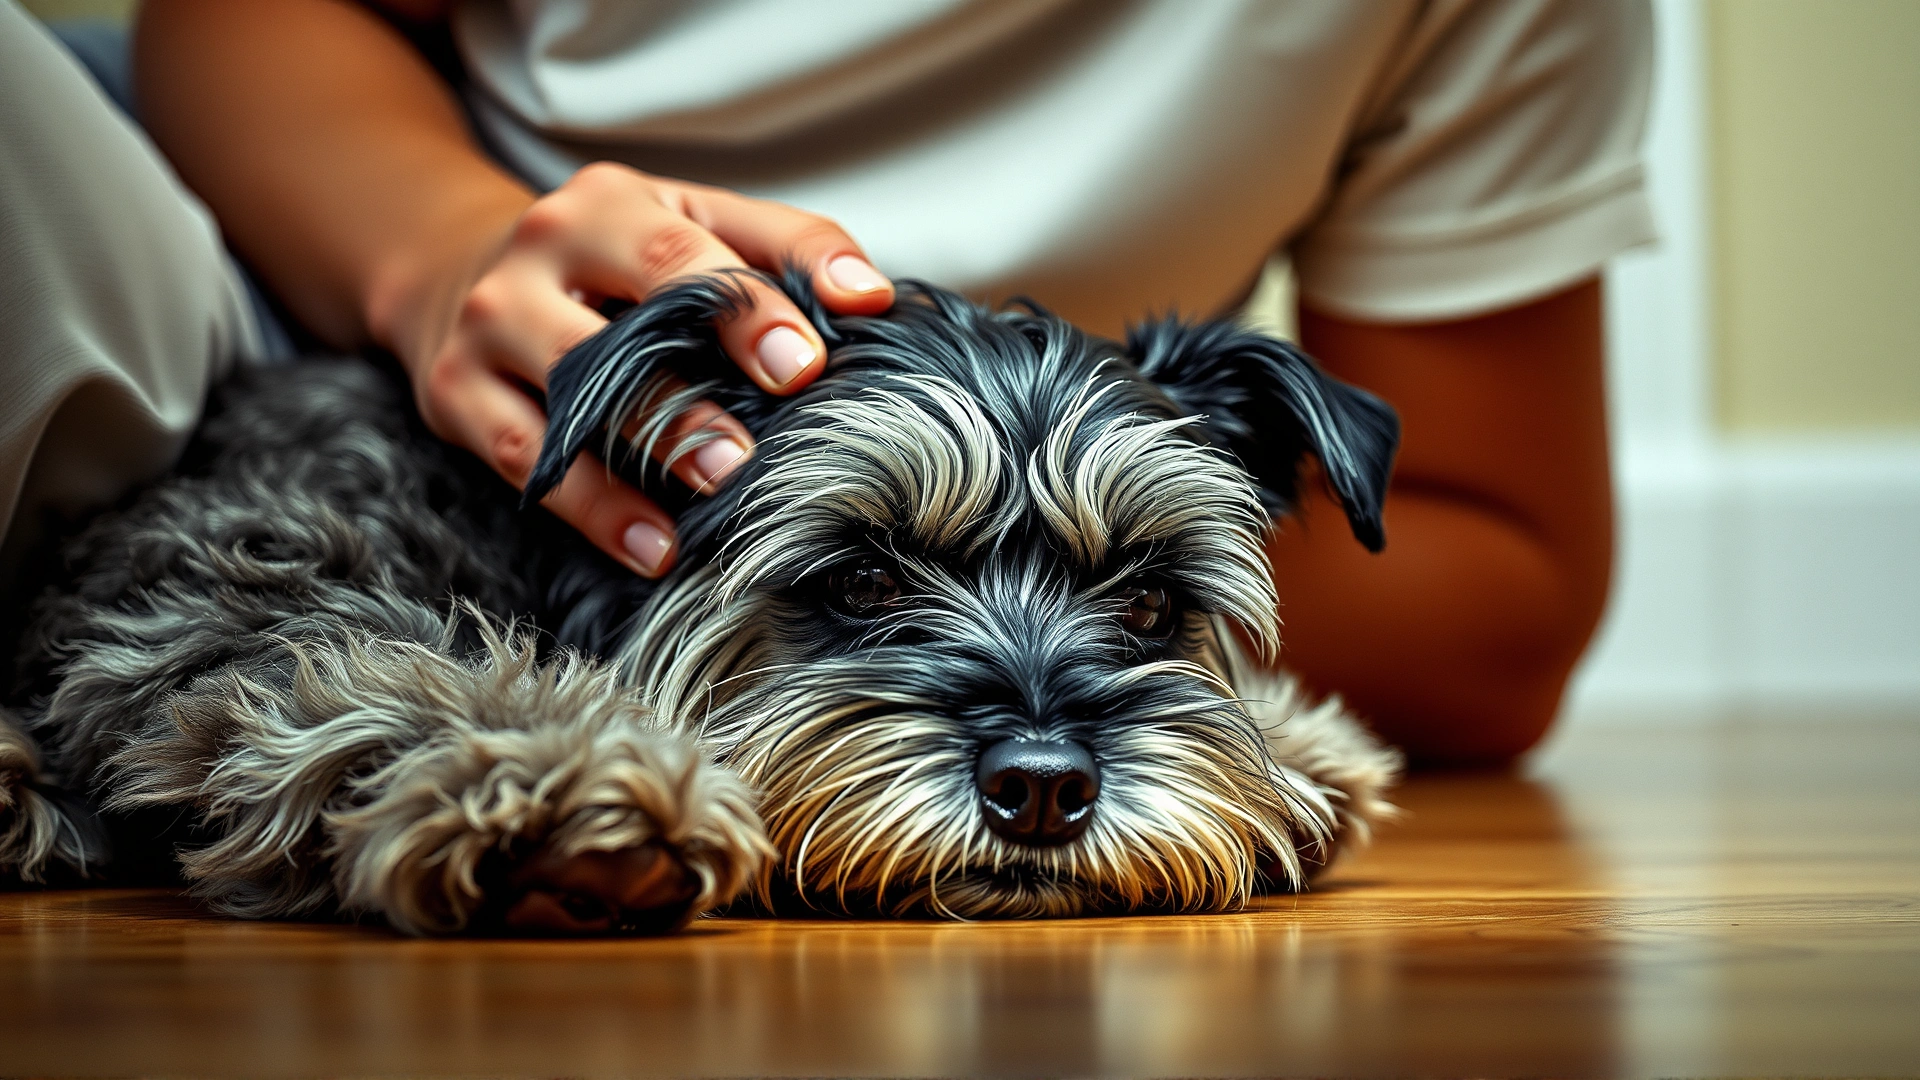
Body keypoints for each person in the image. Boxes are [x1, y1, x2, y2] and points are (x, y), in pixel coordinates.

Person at [0, 0, 1652, 767]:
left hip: (1056, 435)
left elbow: (1496, 567)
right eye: (869, 579)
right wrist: (435, 255)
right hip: (307, 317)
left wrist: (1091, 565)